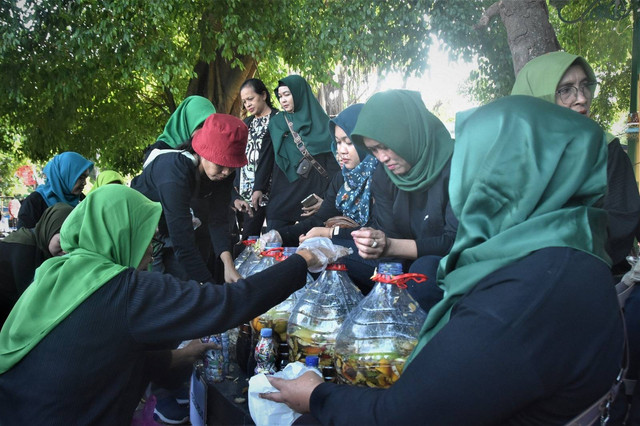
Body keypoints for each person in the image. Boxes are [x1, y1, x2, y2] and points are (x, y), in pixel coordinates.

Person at [260, 95, 624, 425]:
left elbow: (401, 415)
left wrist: (316, 395)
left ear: (503, 178)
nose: (461, 179)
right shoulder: (575, 251)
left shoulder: (518, 300)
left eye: (471, 162)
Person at [0, 184, 326, 425]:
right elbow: (225, 304)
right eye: (147, 238)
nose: (149, 252)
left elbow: (95, 353)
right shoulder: (119, 288)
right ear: (122, 235)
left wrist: (178, 357)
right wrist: (300, 261)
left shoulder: (57, 272)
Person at [511, 51, 640, 274]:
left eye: (585, 86)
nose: (582, 98)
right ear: (536, 101)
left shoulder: (606, 150)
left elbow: (620, 222)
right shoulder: (516, 157)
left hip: (591, 272)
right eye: (566, 90)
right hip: (522, 271)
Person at [339, 90, 458, 303]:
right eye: (373, 150)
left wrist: (390, 246)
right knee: (333, 260)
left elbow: (455, 242)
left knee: (426, 269)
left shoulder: (457, 165)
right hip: (404, 263)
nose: (382, 158)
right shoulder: (384, 175)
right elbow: (389, 237)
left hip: (452, 267)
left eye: (386, 146)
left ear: (409, 133)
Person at [131, 114, 246, 284]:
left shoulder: (224, 173)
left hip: (174, 229)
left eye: (232, 167)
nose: (226, 172)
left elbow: (218, 219)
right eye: (221, 165)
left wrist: (228, 266)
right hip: (141, 234)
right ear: (203, 152)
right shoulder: (173, 171)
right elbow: (183, 243)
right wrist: (213, 290)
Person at [276, 103, 378, 246]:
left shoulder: (382, 178)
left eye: (349, 142)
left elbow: (378, 231)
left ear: (366, 141)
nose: (341, 151)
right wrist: (279, 235)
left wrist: (330, 234)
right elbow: (319, 219)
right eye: (338, 142)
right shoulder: (343, 179)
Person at [258, 75, 340, 230]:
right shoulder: (277, 123)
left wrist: (327, 199)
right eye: (280, 96)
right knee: (275, 249)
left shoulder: (323, 124)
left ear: (300, 93)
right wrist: (258, 188)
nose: (283, 100)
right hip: (282, 198)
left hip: (311, 202)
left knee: (309, 251)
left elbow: (334, 168)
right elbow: (266, 158)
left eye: (287, 94)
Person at [0, 203, 73, 326]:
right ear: (49, 230)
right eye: (61, 242)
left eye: (72, 244)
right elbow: (27, 302)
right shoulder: (25, 248)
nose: (66, 250)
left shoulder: (41, 244)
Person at [233, 78, 278, 238]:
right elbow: (239, 155)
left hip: (274, 192)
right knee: (248, 240)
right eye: (244, 102)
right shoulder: (246, 123)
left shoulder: (278, 120)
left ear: (263, 95)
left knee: (275, 240)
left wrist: (260, 186)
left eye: (250, 99)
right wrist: (237, 185)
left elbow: (271, 157)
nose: (248, 105)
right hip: (249, 194)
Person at [17, 152, 93, 229]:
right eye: (81, 178)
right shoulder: (35, 201)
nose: (85, 183)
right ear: (64, 174)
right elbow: (22, 236)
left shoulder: (82, 201)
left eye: (85, 178)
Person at [142, 95, 216, 160]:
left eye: (210, 126)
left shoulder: (209, 153)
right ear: (186, 123)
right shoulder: (157, 152)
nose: (205, 131)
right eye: (200, 125)